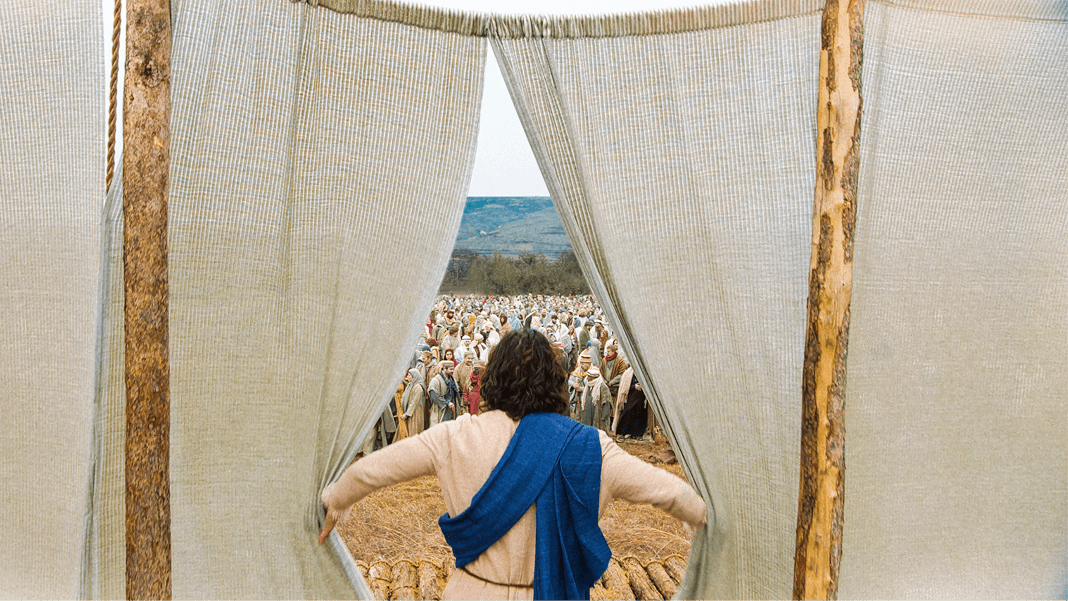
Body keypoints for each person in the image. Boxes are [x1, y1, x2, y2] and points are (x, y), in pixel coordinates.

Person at [319, 329, 706, 601]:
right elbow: (677, 496)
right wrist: (698, 522)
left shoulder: (455, 436)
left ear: (493, 379)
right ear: (557, 382)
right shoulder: (591, 447)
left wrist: (336, 502)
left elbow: (369, 472)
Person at [428, 360, 460, 426]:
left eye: (453, 369)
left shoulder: (452, 379)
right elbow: (433, 394)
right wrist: (446, 403)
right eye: (451, 369)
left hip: (451, 410)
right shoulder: (436, 380)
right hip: (440, 409)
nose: (452, 371)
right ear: (444, 369)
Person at [399, 367, 426, 437]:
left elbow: (414, 402)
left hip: (415, 413)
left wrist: (407, 414)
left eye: (409, 375)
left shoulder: (418, 387)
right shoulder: (410, 384)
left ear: (414, 376)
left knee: (413, 432)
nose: (407, 376)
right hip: (409, 412)